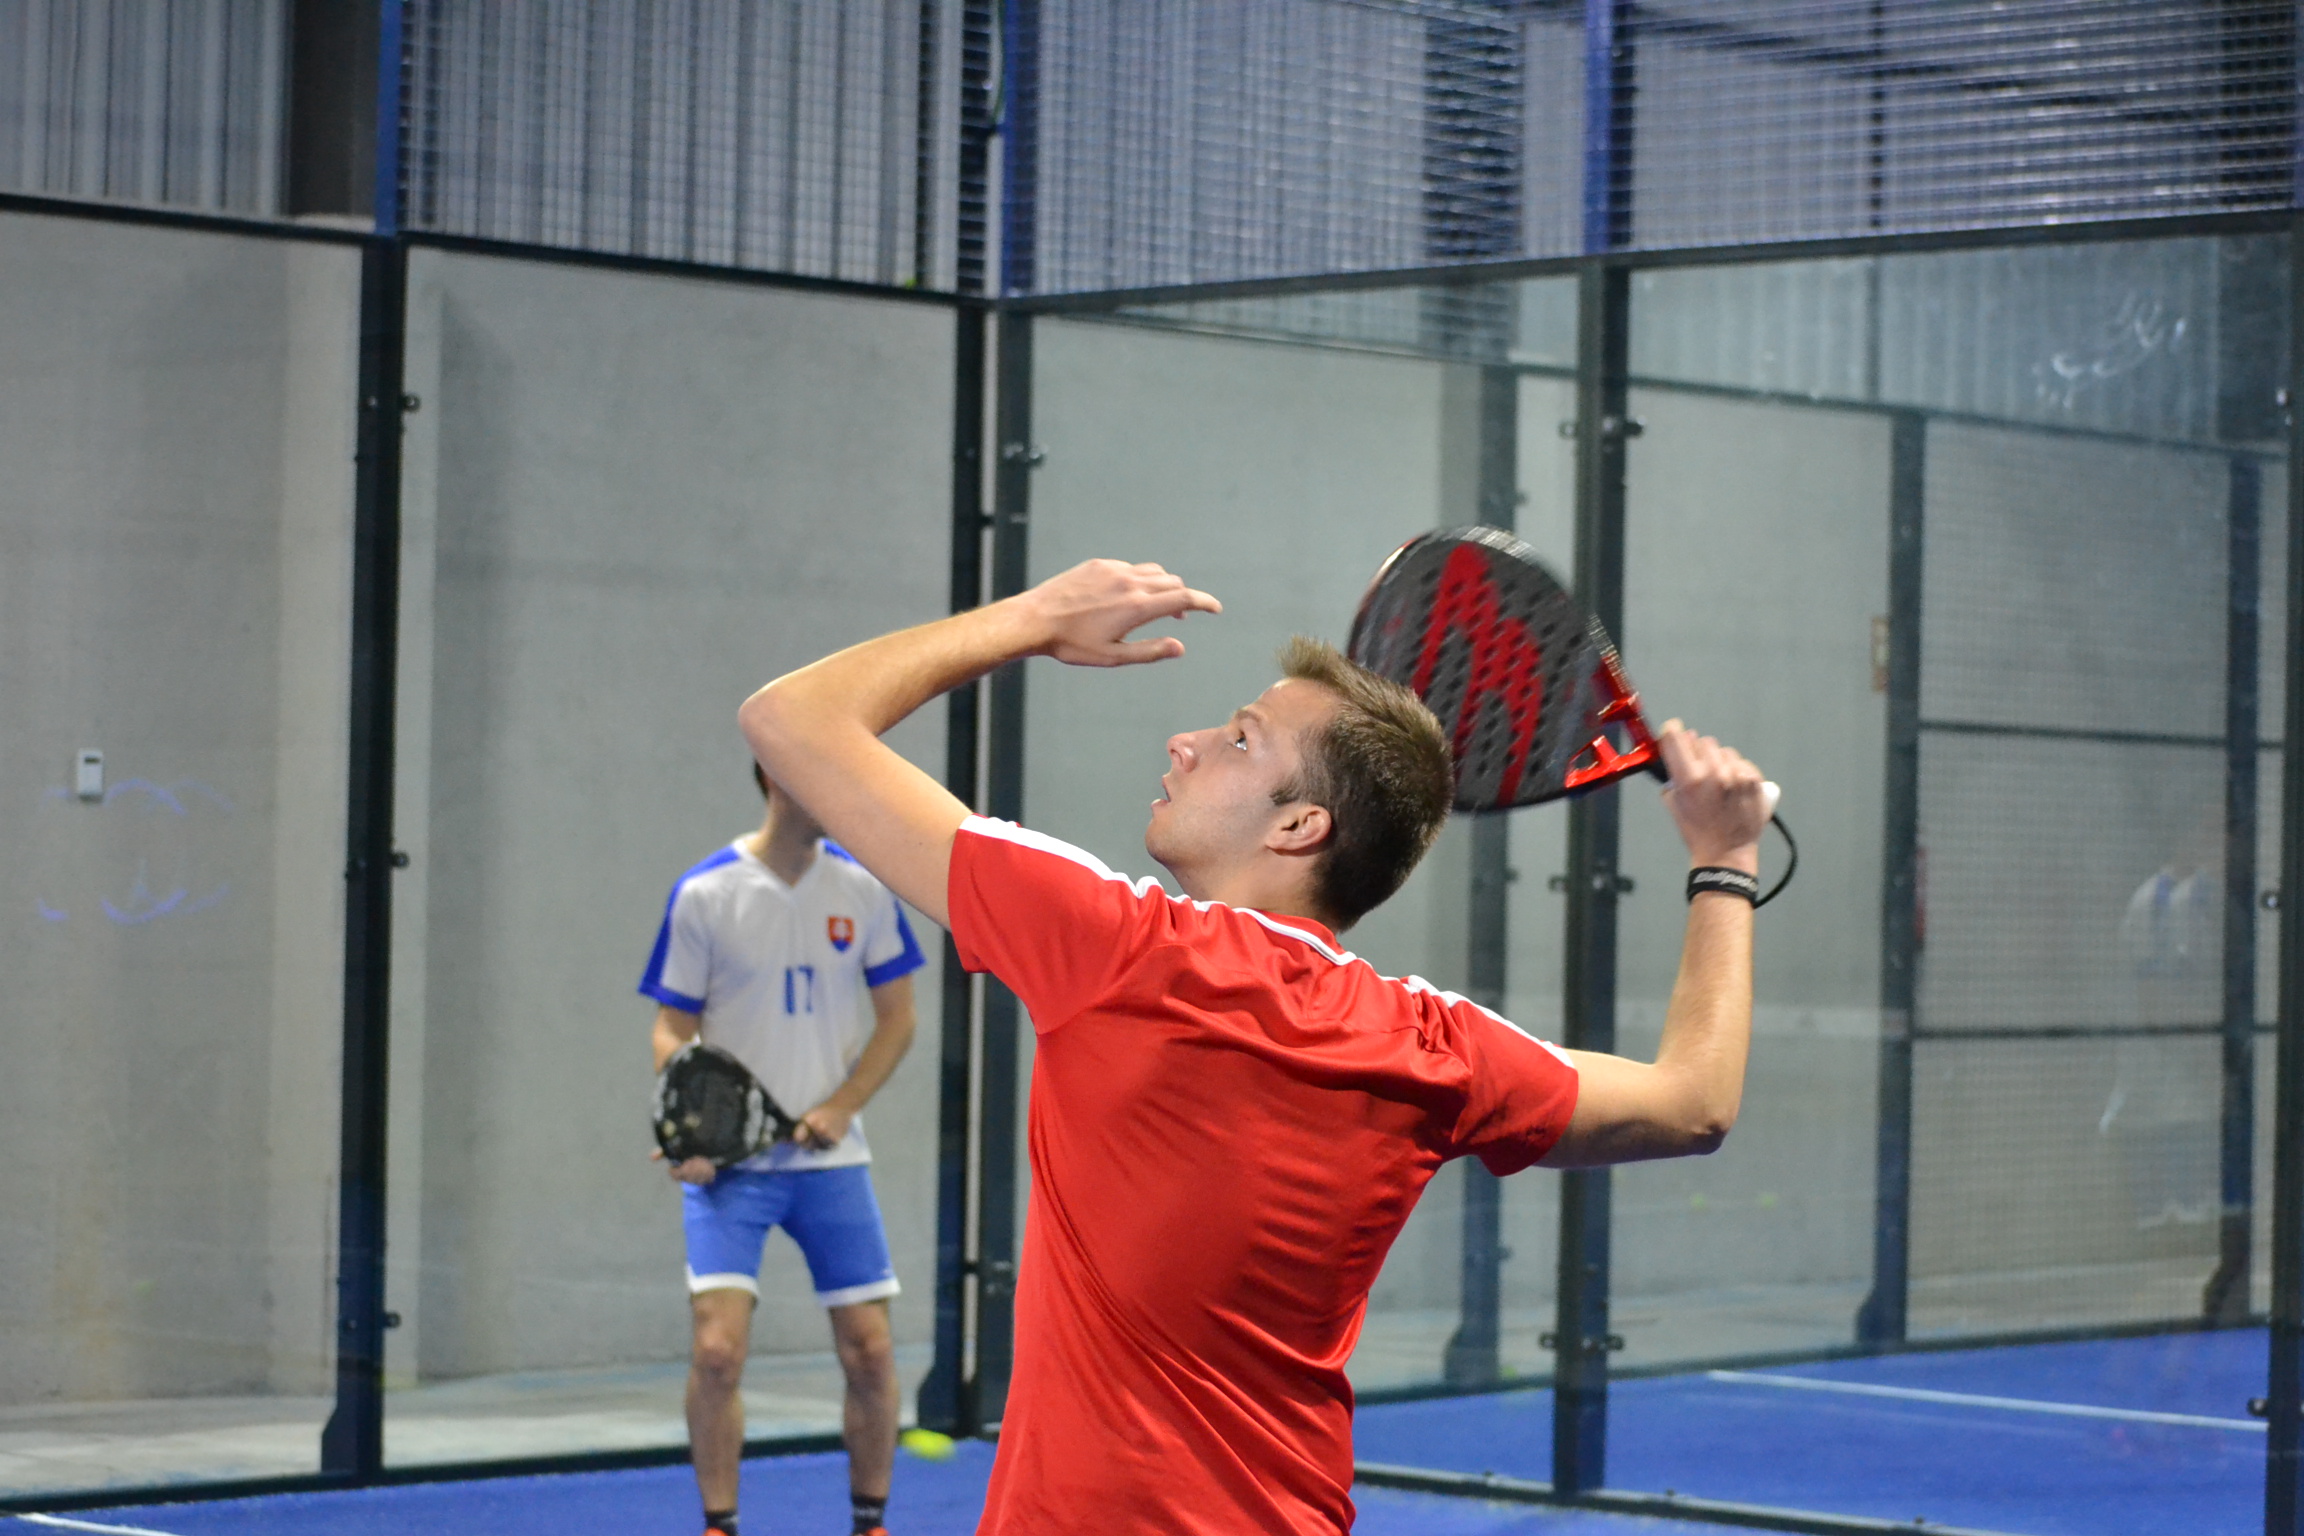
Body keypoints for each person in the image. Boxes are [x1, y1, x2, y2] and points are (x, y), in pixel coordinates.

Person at [738, 559, 1771, 1535]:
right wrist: (1725, 860)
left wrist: (1034, 618)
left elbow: (790, 718)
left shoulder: (1118, 949)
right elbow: (1696, 1104)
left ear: (1300, 827)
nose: (1186, 742)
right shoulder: (1437, 1049)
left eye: (1239, 740)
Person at [641, 764, 928, 1536]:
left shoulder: (864, 888)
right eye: (816, 776)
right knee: (717, 1353)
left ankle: (869, 1522)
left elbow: (899, 1019)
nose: (838, 791)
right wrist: (693, 1133)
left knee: (870, 1352)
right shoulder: (706, 892)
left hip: (834, 1167)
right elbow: (671, 1029)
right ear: (775, 779)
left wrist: (841, 1106)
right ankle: (719, 1524)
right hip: (730, 1175)